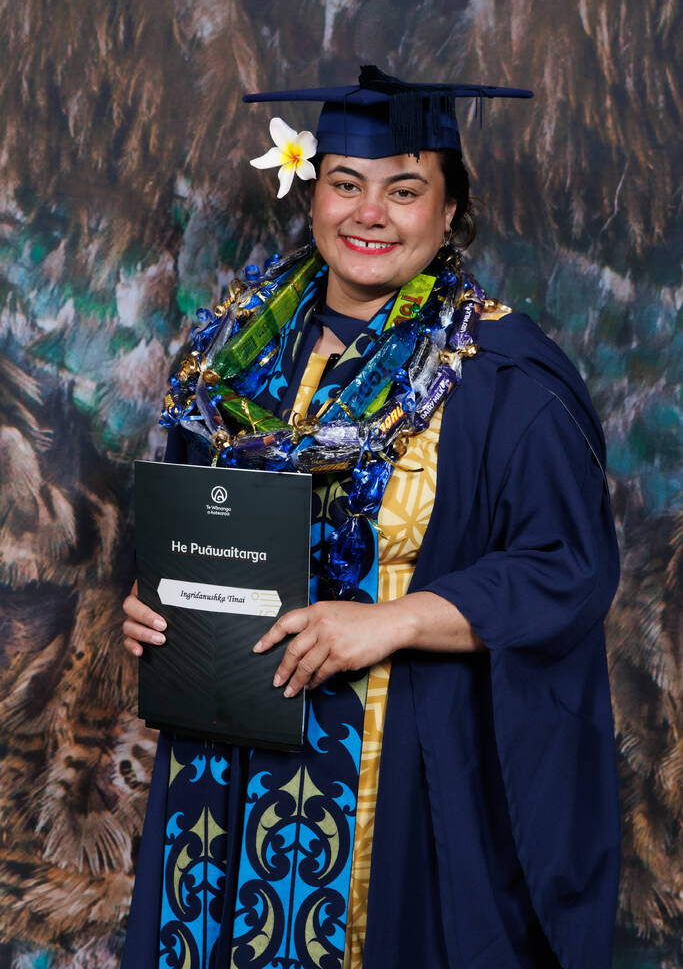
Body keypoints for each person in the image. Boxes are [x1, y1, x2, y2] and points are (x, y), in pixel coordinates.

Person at [121, 67, 621, 969]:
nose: (370, 215)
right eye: (346, 184)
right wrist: (154, 600)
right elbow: (194, 516)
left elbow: (567, 568)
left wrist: (390, 622)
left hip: (398, 770)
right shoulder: (232, 353)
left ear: (449, 208)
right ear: (311, 193)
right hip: (227, 759)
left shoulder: (504, 376)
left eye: (404, 189)